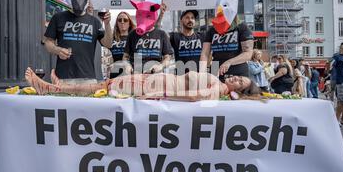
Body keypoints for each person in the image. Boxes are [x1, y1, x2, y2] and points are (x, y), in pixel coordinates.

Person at [24, 67, 262, 101]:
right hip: (150, 81)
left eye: (239, 82)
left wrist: (156, 94)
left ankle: (51, 88)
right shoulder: (219, 84)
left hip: (151, 87)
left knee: (105, 86)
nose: (234, 78)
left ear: (239, 91)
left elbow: (192, 96)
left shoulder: (218, 90)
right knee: (105, 83)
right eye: (238, 76)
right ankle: (60, 86)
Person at [42, 0, 113, 80]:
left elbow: (108, 44)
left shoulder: (95, 22)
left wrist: (107, 24)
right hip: (63, 78)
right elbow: (48, 42)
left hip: (88, 78)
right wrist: (58, 50)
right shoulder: (58, 17)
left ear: (87, 0)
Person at [200, 0, 254, 82]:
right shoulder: (211, 30)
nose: (220, 9)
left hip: (238, 73)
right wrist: (201, 73)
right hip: (216, 72)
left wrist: (229, 62)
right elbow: (205, 53)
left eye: (225, 5)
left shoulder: (242, 27)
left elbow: (248, 53)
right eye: (218, 5)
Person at [123, 0, 173, 74]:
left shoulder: (162, 34)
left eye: (147, 16)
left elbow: (167, 57)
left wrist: (161, 66)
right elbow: (125, 56)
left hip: (155, 76)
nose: (142, 19)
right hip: (137, 75)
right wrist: (127, 66)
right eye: (139, 15)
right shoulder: (132, 34)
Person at [108, 12, 136, 79]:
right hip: (115, 72)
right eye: (120, 20)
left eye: (125, 20)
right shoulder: (112, 39)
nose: (122, 22)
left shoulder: (134, 38)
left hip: (129, 73)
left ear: (129, 23)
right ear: (117, 23)